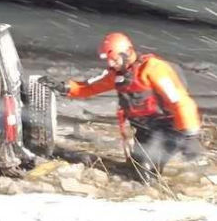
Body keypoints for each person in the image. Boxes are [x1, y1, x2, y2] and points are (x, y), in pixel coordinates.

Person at [42, 32, 205, 174]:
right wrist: (65, 87)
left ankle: (151, 199)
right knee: (135, 168)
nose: (111, 64)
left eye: (114, 60)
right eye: (109, 61)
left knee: (145, 169)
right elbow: (90, 87)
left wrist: (190, 135)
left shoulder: (154, 69)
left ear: (127, 52)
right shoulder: (119, 74)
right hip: (146, 129)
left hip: (168, 128)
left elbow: (180, 101)